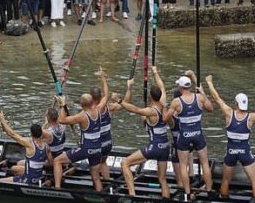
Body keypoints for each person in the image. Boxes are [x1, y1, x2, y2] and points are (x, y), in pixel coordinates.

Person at [206, 75, 255, 198]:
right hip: (245, 152)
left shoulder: (228, 113)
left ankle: (224, 200)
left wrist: (209, 82)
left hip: (231, 151)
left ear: (236, 103)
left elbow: (216, 98)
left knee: (226, 181)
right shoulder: (251, 117)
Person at [53, 67, 109, 191]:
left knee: (57, 161)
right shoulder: (99, 109)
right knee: (95, 177)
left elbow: (62, 120)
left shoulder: (82, 116)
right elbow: (106, 95)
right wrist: (103, 78)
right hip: (98, 149)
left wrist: (62, 105)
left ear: (82, 105)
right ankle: (101, 196)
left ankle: (56, 189)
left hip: (86, 149)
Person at [119, 66, 170, 198]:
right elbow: (162, 86)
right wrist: (155, 72)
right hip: (165, 147)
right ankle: (166, 199)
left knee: (125, 163)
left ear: (150, 97)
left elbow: (134, 109)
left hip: (154, 147)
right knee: (162, 179)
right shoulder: (163, 103)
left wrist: (120, 101)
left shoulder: (151, 111)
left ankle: (132, 195)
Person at [163, 72, 215, 197]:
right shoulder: (200, 98)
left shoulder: (176, 101)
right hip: (198, 134)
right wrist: (202, 94)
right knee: (204, 163)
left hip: (184, 136)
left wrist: (166, 107)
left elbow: (165, 118)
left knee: (182, 165)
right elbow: (211, 108)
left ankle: (187, 192)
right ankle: (208, 190)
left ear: (180, 88)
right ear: (190, 86)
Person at [0, 111, 52, 184]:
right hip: (39, 176)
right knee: (15, 168)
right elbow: (51, 163)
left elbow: (12, 134)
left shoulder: (29, 144)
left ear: (31, 134)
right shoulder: (46, 146)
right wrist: (46, 123)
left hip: (27, 180)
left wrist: (2, 119)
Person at [90, 70, 123, 181]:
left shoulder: (92, 110)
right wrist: (103, 78)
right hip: (108, 143)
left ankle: (98, 187)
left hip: (96, 145)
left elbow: (106, 95)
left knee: (94, 166)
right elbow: (107, 94)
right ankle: (108, 183)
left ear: (91, 98)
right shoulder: (109, 107)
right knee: (103, 162)